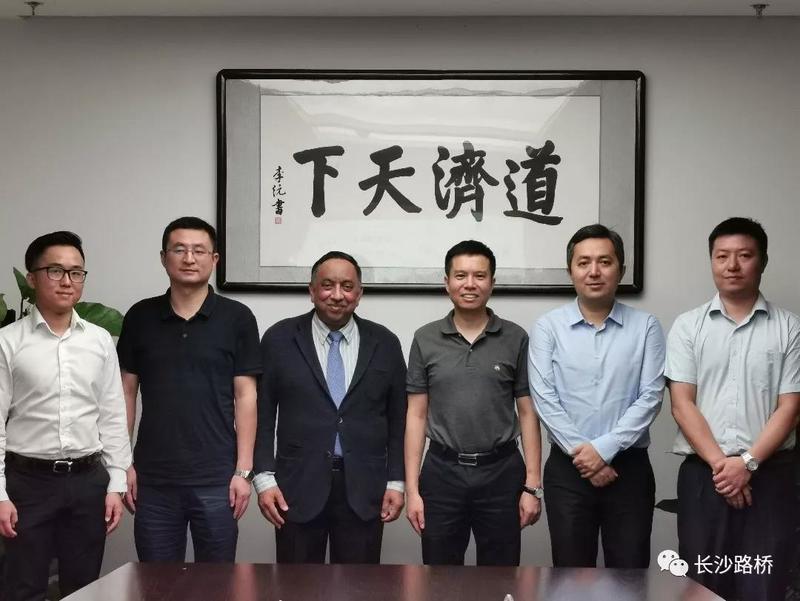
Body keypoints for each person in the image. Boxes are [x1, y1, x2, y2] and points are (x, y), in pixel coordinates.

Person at [667, 217, 800, 601]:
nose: (732, 265)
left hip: (770, 476)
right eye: (722, 256)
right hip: (704, 477)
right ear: (711, 261)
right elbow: (682, 404)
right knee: (702, 585)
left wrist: (748, 464)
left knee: (764, 583)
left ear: (763, 261)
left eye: (744, 255)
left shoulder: (789, 328)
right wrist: (723, 467)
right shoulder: (688, 327)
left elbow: (790, 407)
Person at [117, 216, 261, 562]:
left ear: (215, 259)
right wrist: (122, 463)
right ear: (163, 257)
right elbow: (125, 392)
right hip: (153, 478)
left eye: (199, 250)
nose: (189, 258)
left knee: (217, 582)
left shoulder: (237, 318)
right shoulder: (140, 316)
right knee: (156, 581)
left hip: (217, 477)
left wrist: (243, 471)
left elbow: (246, 396)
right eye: (179, 249)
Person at [0, 231, 131, 599]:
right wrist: (0, 494)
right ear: (32, 278)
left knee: (84, 588)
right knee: (23, 587)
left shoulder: (99, 340)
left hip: (87, 481)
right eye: (55, 271)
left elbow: (112, 414)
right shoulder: (8, 342)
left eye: (76, 272)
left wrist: (116, 482)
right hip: (27, 483)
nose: (67, 281)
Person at [254, 251, 406, 564]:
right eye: (327, 285)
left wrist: (396, 481)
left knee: (358, 585)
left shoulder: (385, 343)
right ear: (311, 291)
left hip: (365, 489)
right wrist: (264, 478)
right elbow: (262, 415)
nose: (337, 295)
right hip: (296, 487)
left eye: (347, 287)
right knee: (296, 585)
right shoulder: (279, 339)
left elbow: (399, 420)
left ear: (359, 293)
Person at [528, 223, 665, 568]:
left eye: (604, 262)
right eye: (583, 262)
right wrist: (586, 456)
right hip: (568, 471)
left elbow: (651, 396)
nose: (594, 271)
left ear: (621, 269)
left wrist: (603, 451)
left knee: (630, 575)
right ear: (570, 270)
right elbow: (544, 398)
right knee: (571, 575)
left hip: (629, 469)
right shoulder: (548, 327)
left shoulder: (646, 326)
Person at [405, 240, 541, 566]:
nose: (470, 284)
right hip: (442, 472)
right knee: (439, 575)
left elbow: (527, 413)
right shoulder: (425, 338)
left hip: (501, 472)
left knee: (501, 575)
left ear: (492, 282)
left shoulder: (515, 337)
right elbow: (416, 415)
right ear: (447, 282)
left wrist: (532, 486)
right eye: (460, 275)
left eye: (479, 276)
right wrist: (413, 490)